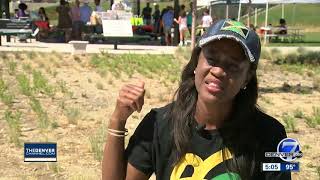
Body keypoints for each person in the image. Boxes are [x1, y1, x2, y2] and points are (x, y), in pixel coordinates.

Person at [102, 19, 292, 180]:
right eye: (211, 58)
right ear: (196, 63)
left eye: (233, 66)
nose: (218, 71)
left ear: (247, 77)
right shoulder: (160, 123)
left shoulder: (273, 135)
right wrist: (117, 121)